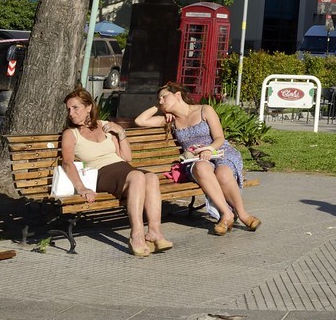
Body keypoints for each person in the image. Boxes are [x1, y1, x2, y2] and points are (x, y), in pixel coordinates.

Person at [134, 82, 259, 236]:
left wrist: (209, 149)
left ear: (178, 95)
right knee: (201, 167)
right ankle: (227, 214)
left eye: (164, 97)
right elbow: (140, 121)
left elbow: (220, 138)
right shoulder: (171, 121)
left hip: (220, 151)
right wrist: (159, 107)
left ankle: (243, 214)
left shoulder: (204, 110)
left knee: (224, 173)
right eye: (158, 99)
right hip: (194, 160)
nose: (160, 101)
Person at [60, 87, 170, 256]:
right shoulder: (71, 133)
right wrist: (81, 188)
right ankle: (137, 235)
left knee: (151, 177)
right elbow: (68, 163)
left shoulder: (105, 126)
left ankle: (154, 231)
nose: (71, 113)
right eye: (69, 109)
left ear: (88, 107)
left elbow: (126, 157)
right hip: (101, 173)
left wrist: (121, 132)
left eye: (75, 108)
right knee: (138, 176)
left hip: (123, 169)